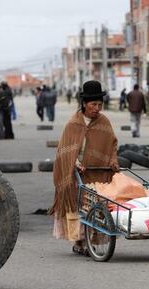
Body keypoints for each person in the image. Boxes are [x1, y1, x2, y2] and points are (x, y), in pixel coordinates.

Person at [50, 80, 119, 256]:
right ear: (84, 104)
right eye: (93, 104)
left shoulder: (104, 122)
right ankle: (79, 241)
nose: (97, 108)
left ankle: (90, 241)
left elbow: (112, 145)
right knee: (78, 208)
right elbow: (65, 151)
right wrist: (75, 163)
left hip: (98, 174)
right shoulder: (73, 124)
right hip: (77, 174)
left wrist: (112, 160)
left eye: (100, 105)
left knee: (95, 207)